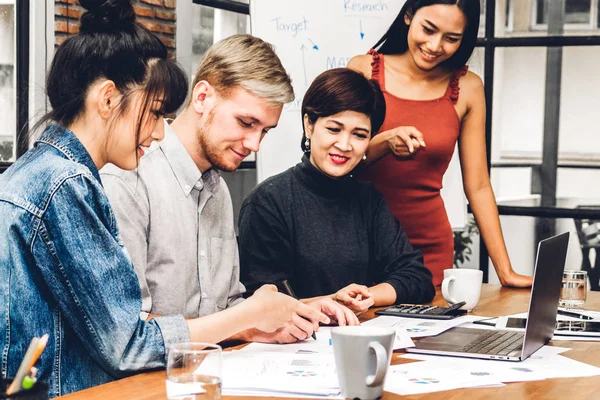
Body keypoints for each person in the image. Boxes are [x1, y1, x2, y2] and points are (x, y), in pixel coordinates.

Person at [0, 2, 328, 397]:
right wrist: (247, 316)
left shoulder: (49, 173)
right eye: (155, 114)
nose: (159, 132)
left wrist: (257, 316)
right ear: (107, 100)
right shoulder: (68, 183)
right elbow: (126, 345)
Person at [101, 34, 358, 345]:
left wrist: (301, 310)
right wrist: (248, 325)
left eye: (265, 131)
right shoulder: (127, 180)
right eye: (246, 123)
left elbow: (228, 308)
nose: (255, 144)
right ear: (202, 97)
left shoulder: (218, 191)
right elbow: (129, 331)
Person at [347, 0, 533, 287]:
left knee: (430, 331)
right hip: (358, 243)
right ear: (408, 16)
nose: (435, 46)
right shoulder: (363, 70)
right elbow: (337, 162)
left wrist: (505, 271)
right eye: (429, 29)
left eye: (451, 38)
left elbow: (479, 185)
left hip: (428, 249)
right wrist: (384, 142)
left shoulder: (468, 87)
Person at [238, 68, 436, 314]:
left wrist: (366, 297)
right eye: (334, 129)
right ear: (309, 125)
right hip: (289, 347)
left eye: (359, 135)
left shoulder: (368, 200)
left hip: (356, 340)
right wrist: (334, 302)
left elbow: (417, 278)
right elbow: (260, 303)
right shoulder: (268, 202)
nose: (344, 145)